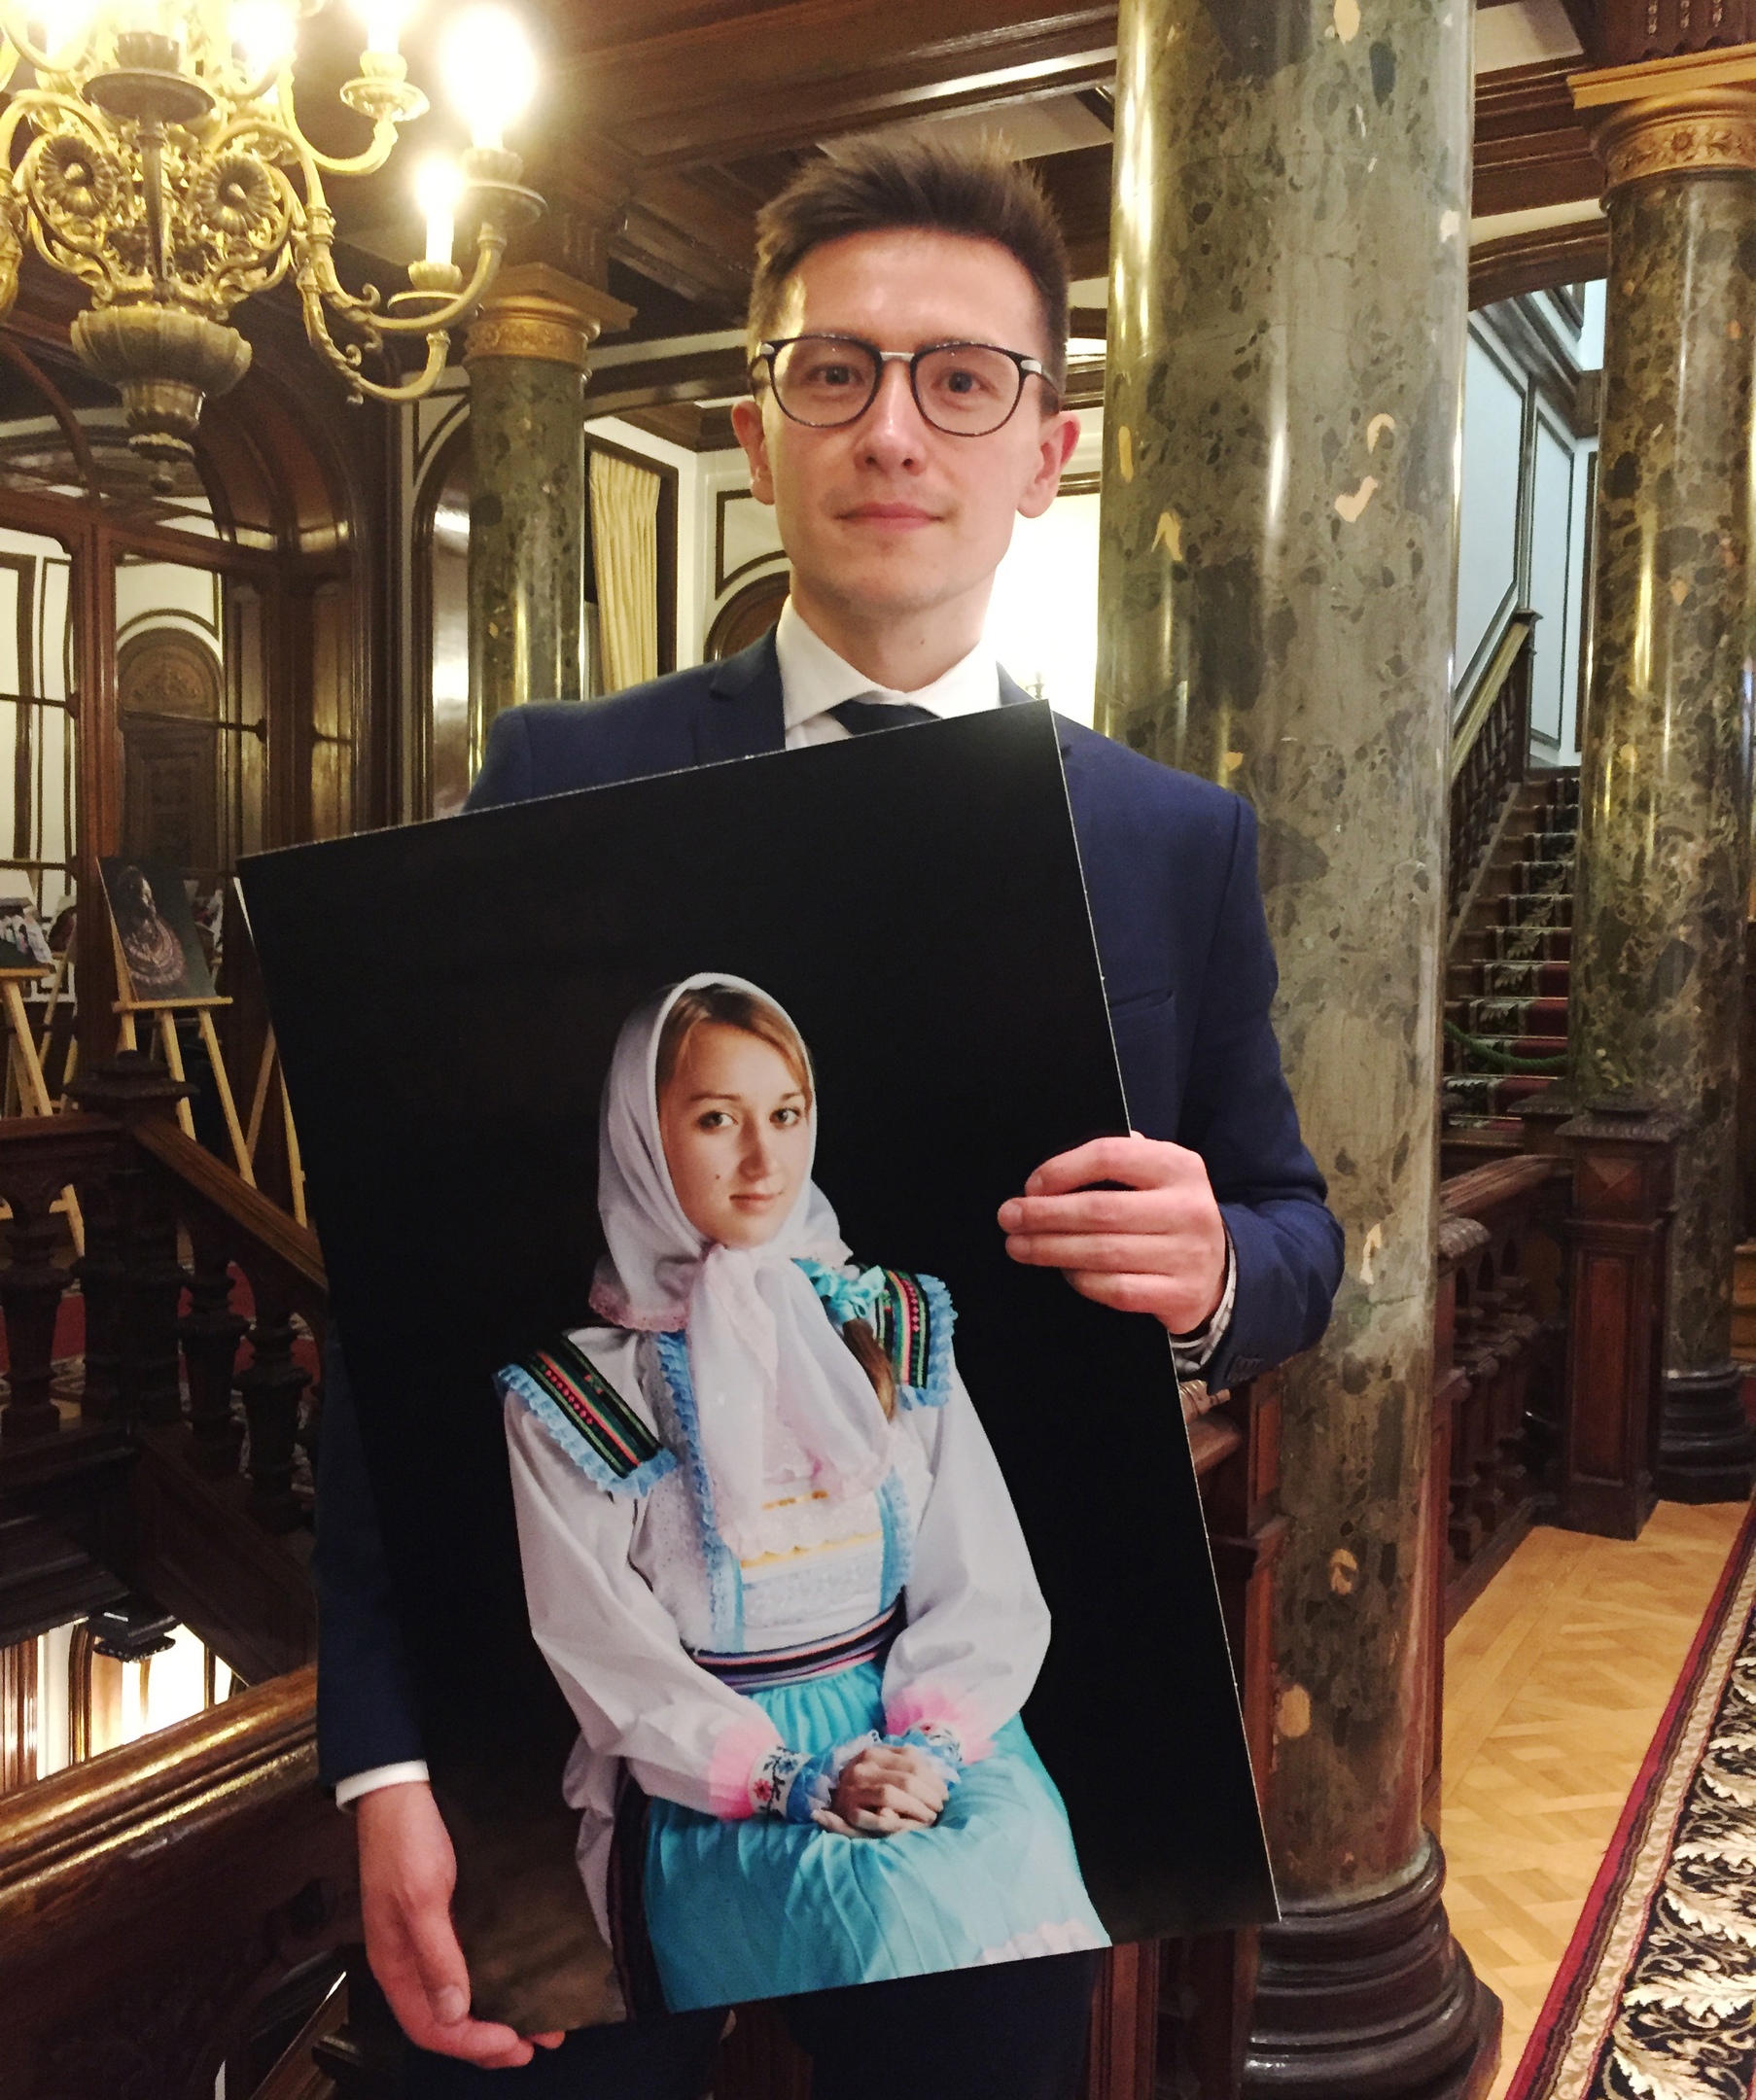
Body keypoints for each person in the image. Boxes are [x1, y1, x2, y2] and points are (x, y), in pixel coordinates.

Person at [315, 135, 1346, 2098]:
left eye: (961, 380)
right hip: (590, 1736)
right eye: (835, 370)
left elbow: (1300, 1234)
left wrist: (1221, 1263)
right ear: (757, 422)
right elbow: (398, 1304)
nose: (892, 428)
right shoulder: (558, 780)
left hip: (973, 1739)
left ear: (1046, 450)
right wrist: (385, 1753)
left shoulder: (1170, 838)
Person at [503, 975, 1106, 2015]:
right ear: (642, 1138)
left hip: (924, 1722)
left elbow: (984, 1577)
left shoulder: (888, 1326)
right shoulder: (581, 1395)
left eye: (785, 1116)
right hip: (715, 1773)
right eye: (716, 1120)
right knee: (889, 1923)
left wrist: (927, 1746)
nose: (763, 1160)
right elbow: (607, 1657)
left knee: (1024, 1875)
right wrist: (791, 1778)